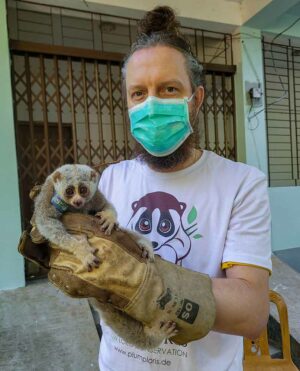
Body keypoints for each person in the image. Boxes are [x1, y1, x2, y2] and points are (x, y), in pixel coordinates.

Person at [98, 6, 272, 371]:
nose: (152, 105)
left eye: (169, 89)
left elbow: (250, 313)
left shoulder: (241, 184)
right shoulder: (111, 179)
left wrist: (133, 277)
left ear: (197, 99)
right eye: (138, 94)